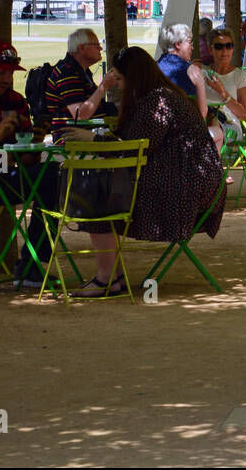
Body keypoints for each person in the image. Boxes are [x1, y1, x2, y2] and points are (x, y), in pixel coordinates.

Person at [67, 47, 226, 297]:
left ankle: (107, 279)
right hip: (193, 183)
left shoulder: (156, 101)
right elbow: (134, 145)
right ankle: (112, 277)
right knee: (103, 192)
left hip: (183, 190)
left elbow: (134, 150)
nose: (117, 85)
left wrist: (93, 137)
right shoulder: (161, 96)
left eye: (119, 79)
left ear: (135, 77)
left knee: (96, 196)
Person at [0, 40, 59, 291]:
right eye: (1, 72)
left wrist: (35, 140)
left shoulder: (15, 101)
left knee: (51, 175)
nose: (7, 79)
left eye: (10, 73)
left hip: (3, 178)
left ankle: (31, 265)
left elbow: (28, 160)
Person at [44, 28, 119, 143]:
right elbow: (80, 114)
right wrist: (103, 86)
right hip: (71, 138)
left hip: (87, 135)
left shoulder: (80, 71)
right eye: (96, 45)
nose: (100, 48)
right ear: (82, 48)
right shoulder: (67, 72)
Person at [201, 27, 246, 147]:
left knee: (214, 119)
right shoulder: (203, 73)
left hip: (230, 127)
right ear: (210, 49)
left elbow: (243, 113)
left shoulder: (240, 75)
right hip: (204, 124)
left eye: (229, 46)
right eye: (219, 46)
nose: (225, 51)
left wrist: (223, 92)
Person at [156, 23, 210, 117]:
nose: (192, 47)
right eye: (189, 42)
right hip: (183, 127)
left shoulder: (153, 68)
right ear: (178, 44)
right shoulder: (192, 71)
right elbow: (202, 113)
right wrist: (200, 80)